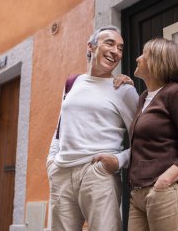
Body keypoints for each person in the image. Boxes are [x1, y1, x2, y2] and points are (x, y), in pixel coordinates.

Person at [46, 26, 139, 231]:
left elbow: (143, 138)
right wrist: (51, 160)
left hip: (97, 173)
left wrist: (118, 161)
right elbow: (60, 126)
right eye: (110, 43)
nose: (116, 51)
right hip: (61, 172)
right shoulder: (73, 82)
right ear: (91, 46)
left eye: (120, 48)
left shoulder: (123, 89)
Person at [124, 38, 178, 231]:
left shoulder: (177, 94)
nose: (138, 58)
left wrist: (163, 182)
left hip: (168, 190)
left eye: (144, 54)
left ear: (159, 60)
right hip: (138, 195)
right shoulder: (144, 98)